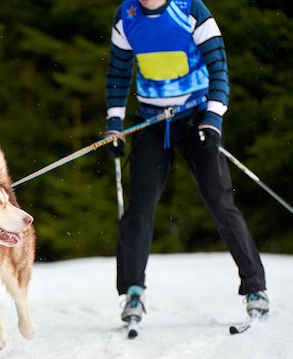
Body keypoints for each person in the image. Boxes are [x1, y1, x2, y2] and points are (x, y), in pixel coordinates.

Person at [104, 0, 268, 325]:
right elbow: (119, 72)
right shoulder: (127, 15)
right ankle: (133, 292)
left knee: (220, 202)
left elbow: (218, 66)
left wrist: (213, 118)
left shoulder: (191, 9)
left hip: (196, 117)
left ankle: (255, 289)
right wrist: (114, 124)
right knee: (139, 208)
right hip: (151, 121)